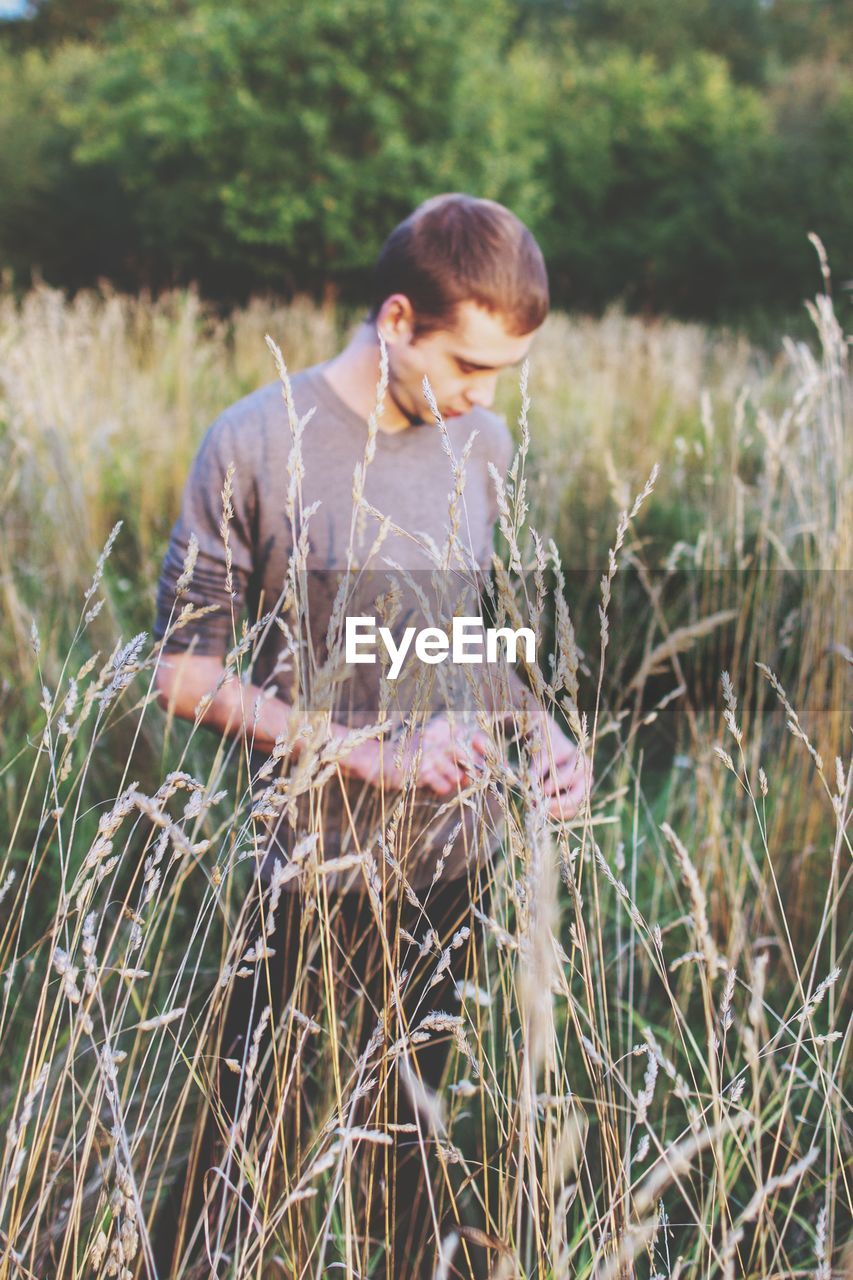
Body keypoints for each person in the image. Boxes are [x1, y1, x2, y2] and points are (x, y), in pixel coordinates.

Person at [151, 193, 592, 1278]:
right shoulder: (254, 440)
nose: (485, 400)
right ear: (396, 319)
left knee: (413, 1163)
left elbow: (460, 633)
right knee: (240, 1160)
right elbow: (181, 671)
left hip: (452, 867)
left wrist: (538, 728)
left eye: (503, 376)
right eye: (470, 366)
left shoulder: (479, 444)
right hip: (310, 870)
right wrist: (357, 750)